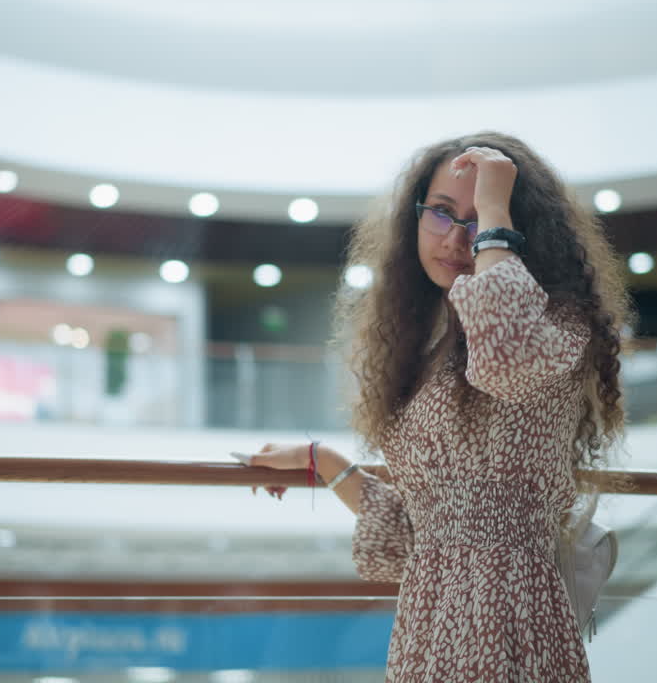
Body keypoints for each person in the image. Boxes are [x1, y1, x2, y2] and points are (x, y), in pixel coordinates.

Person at [249, 132, 632, 681]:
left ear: (521, 237)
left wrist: (498, 207)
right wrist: (323, 462)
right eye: (442, 212)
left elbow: (506, 358)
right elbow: (423, 533)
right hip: (430, 623)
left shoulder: (553, 324)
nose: (456, 238)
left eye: (480, 220)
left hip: (508, 613)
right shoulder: (433, 344)